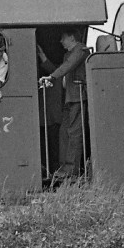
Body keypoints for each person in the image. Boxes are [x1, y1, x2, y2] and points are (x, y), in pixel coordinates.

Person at [39, 29, 90, 179]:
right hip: (69, 98)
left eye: (63, 38)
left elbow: (68, 66)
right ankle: (63, 167)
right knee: (64, 132)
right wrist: (43, 58)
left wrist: (51, 77)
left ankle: (71, 169)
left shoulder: (80, 49)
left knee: (74, 133)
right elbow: (61, 70)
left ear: (72, 38)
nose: (61, 41)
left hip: (79, 97)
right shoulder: (68, 55)